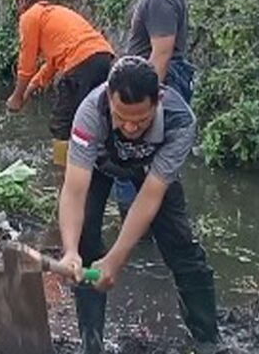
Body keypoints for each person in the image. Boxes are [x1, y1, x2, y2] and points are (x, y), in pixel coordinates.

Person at [57, 56, 222, 354]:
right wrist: (68, 250)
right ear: (109, 97)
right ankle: (91, 345)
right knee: (83, 245)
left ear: (158, 99)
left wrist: (116, 259)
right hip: (101, 165)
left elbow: (149, 197)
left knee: (181, 245)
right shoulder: (89, 113)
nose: (131, 127)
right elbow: (74, 190)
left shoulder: (180, 121)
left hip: (151, 169)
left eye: (141, 120)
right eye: (121, 117)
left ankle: (208, 339)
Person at [118, 0, 195, 213]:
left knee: (136, 163)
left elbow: (161, 55)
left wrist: (144, 108)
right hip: (159, 85)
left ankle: (140, 235)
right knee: (147, 167)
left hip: (158, 87)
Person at [5, 0, 115, 168]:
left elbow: (26, 65)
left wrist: (17, 97)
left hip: (80, 64)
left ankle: (64, 179)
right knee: (94, 120)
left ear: (21, 0)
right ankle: (94, 168)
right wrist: (31, 88)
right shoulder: (55, 14)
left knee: (61, 125)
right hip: (103, 58)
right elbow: (52, 63)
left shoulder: (29, 17)